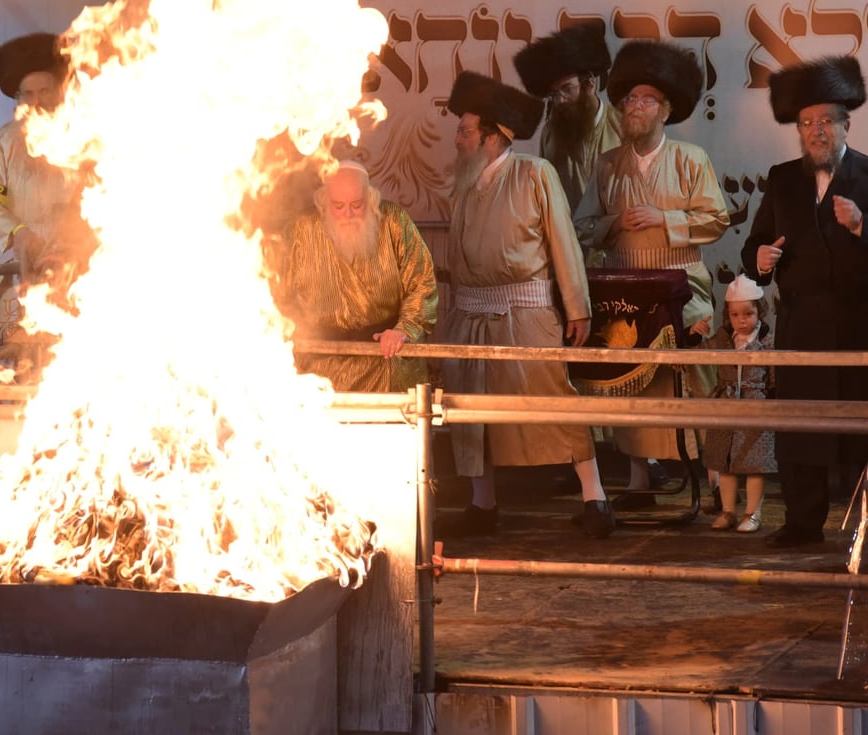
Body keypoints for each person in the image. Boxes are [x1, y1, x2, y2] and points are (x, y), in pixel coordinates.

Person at [441, 70, 614, 538]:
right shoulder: (464, 183)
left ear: (495, 137)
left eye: (465, 130)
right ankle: (483, 505)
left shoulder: (535, 173)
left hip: (526, 312)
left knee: (554, 401)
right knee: (470, 411)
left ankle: (595, 499)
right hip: (470, 316)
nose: (457, 138)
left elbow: (563, 241)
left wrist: (577, 307)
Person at [574, 40, 730, 506]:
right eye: (628, 101)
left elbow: (717, 220)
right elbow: (581, 225)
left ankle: (719, 482)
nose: (634, 108)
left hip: (682, 290)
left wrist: (666, 219)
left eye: (645, 101)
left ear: (665, 110)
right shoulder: (606, 165)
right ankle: (640, 480)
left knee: (693, 379)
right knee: (631, 382)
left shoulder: (690, 160)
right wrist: (614, 223)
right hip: (624, 294)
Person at [741, 54, 868, 548]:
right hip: (801, 326)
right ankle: (801, 523)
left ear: (845, 125)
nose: (816, 132)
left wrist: (860, 224)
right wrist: (763, 260)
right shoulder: (782, 178)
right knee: (801, 429)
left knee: (859, 432)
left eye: (825, 122)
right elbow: (753, 248)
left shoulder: (867, 175)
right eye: (807, 123)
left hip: (858, 326)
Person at [276, 161, 438, 392]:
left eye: (357, 204)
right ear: (323, 202)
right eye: (338, 205)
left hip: (385, 361)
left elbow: (422, 282)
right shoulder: (301, 230)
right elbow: (277, 292)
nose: (348, 213)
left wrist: (404, 329)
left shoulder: (394, 220)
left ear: (371, 199)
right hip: (320, 367)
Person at [0, 31, 95, 337]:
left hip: (79, 271)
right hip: (20, 270)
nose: (37, 100)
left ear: (60, 89)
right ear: (18, 98)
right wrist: (18, 232)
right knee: (18, 356)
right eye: (28, 93)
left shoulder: (87, 136)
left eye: (44, 90)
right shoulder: (6, 140)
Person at [513, 21, 623, 217]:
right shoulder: (550, 132)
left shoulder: (623, 127)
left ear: (589, 84)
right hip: (569, 242)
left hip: (615, 241)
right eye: (554, 94)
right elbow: (545, 193)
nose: (560, 100)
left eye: (567, 89)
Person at [693, 274, 775, 533]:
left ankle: (752, 513)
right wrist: (696, 335)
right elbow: (701, 353)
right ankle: (728, 510)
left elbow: (773, 376)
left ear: (759, 313)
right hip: (725, 403)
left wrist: (772, 401)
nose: (741, 321)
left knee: (753, 463)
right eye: (735, 315)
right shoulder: (722, 340)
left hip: (755, 405)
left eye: (748, 314)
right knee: (724, 462)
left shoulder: (767, 344)